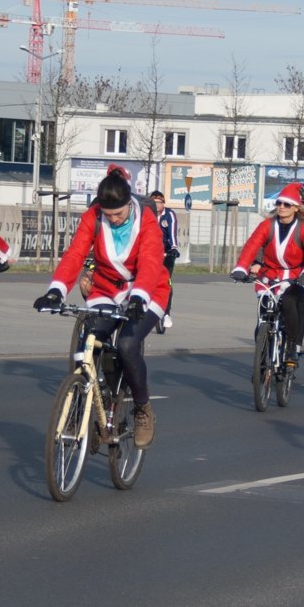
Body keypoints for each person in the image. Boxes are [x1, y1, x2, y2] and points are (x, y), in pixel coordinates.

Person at [34, 168, 168, 447]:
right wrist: (56, 291)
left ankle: (142, 409)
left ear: (129, 203)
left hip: (148, 290)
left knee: (127, 344)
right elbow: (75, 254)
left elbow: (151, 262)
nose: (113, 219)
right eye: (108, 214)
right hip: (106, 289)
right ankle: (86, 407)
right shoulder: (93, 218)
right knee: (90, 343)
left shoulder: (147, 221)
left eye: (118, 214)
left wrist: (139, 296)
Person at [231, 183, 304, 374]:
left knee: (289, 302)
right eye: (279, 203)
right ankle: (261, 360)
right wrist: (241, 267)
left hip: (297, 277)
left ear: (296, 208)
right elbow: (252, 246)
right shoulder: (267, 225)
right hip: (270, 276)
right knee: (263, 315)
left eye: (287, 204)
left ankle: (292, 347)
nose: (281, 207)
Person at [148, 190, 179, 330]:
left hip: (166, 252)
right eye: (153, 202)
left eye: (158, 202)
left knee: (167, 281)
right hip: (151, 252)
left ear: (163, 203)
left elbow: (172, 233)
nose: (156, 205)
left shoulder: (169, 215)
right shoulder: (146, 214)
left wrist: (173, 248)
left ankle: (166, 313)